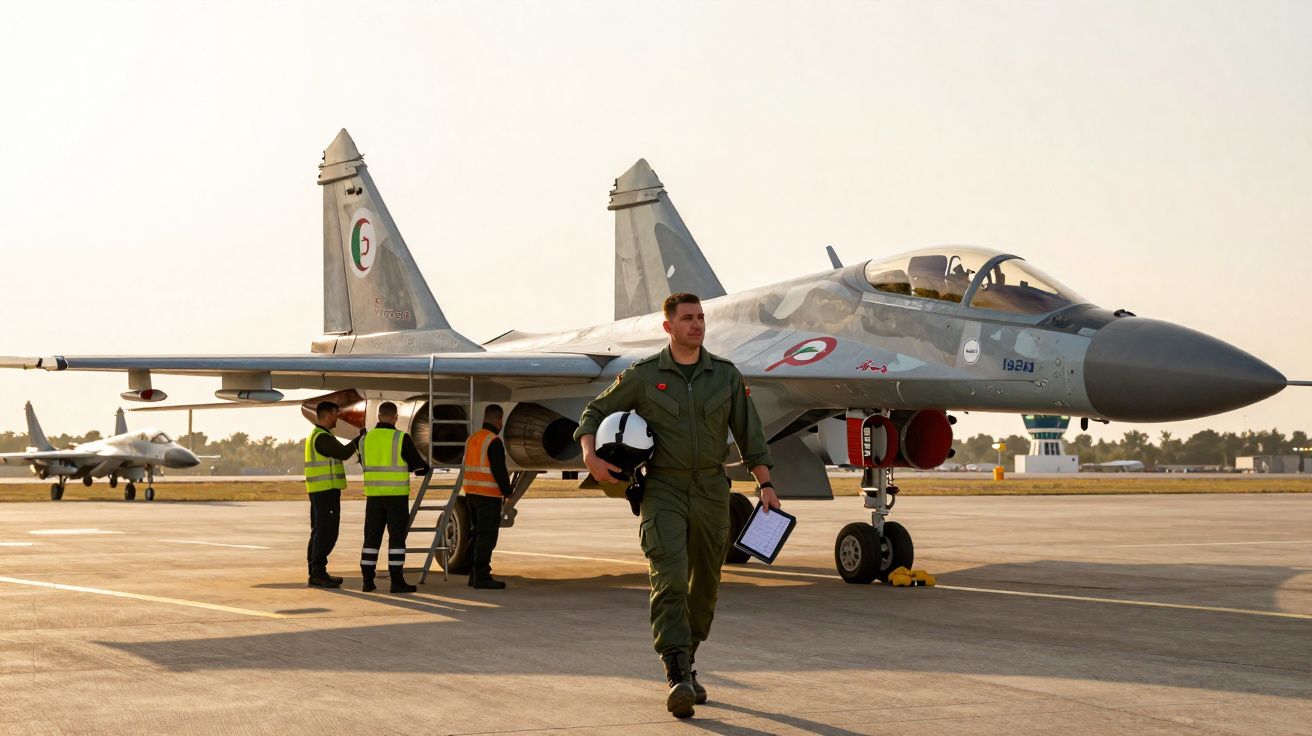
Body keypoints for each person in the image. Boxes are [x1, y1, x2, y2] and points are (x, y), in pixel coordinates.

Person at [574, 292, 779, 719]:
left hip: (711, 490)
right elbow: (594, 412)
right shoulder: (644, 376)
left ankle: (688, 660)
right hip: (663, 490)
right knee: (667, 579)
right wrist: (591, 456)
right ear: (668, 326)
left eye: (701, 318)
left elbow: (750, 434)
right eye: (687, 318)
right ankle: (677, 674)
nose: (697, 325)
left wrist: (766, 486)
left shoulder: (724, 376)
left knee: (705, 587)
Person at [359, 401, 430, 593]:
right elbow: (419, 468)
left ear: (379, 416)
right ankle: (397, 581)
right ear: (395, 417)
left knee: (371, 539)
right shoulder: (400, 438)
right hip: (396, 498)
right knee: (396, 540)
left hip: (373, 497)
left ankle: (367, 580)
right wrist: (426, 466)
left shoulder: (364, 439)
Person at [304, 401, 358, 588]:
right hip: (325, 492)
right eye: (336, 414)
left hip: (322, 491)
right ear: (327, 415)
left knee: (319, 531)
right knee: (326, 532)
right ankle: (318, 573)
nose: (338, 417)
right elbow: (343, 453)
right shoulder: (322, 437)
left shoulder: (321, 435)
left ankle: (316, 572)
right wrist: (360, 439)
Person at [460, 405, 514, 589]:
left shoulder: (472, 439)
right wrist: (508, 492)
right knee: (487, 536)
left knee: (476, 533)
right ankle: (482, 575)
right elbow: (499, 470)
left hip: (471, 493)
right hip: (488, 495)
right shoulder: (493, 441)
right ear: (499, 420)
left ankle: (473, 573)